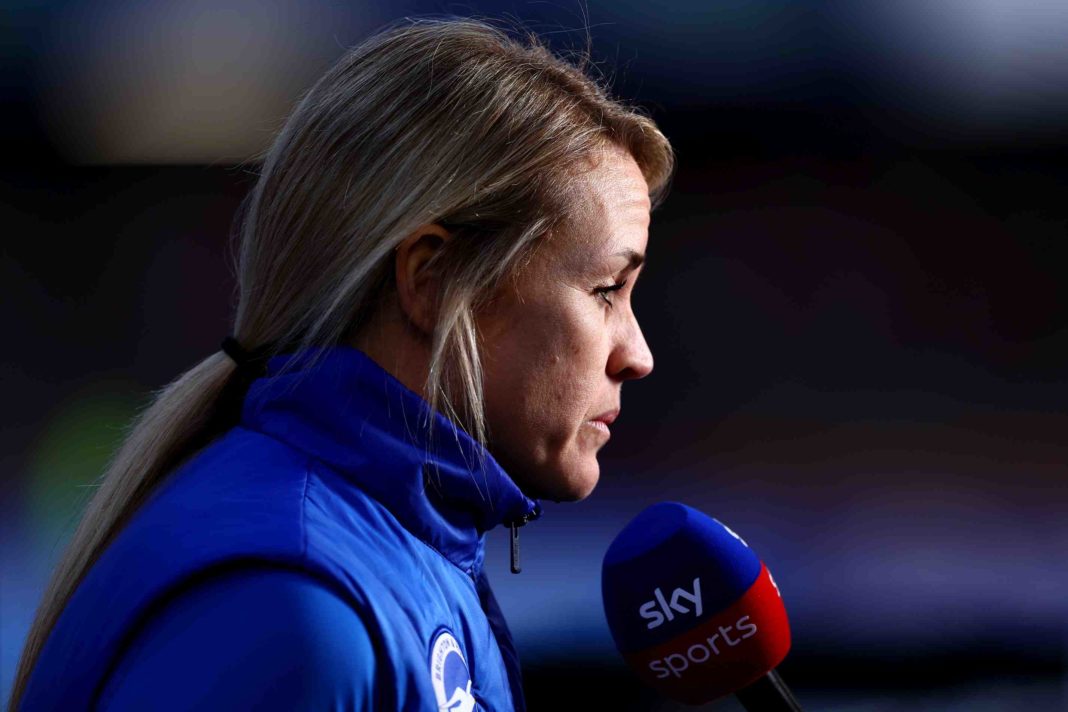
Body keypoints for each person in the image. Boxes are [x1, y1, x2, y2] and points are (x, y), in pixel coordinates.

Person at [10, 17, 673, 712]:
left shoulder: (383, 556)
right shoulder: (293, 609)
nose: (638, 355)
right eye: (606, 290)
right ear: (434, 281)